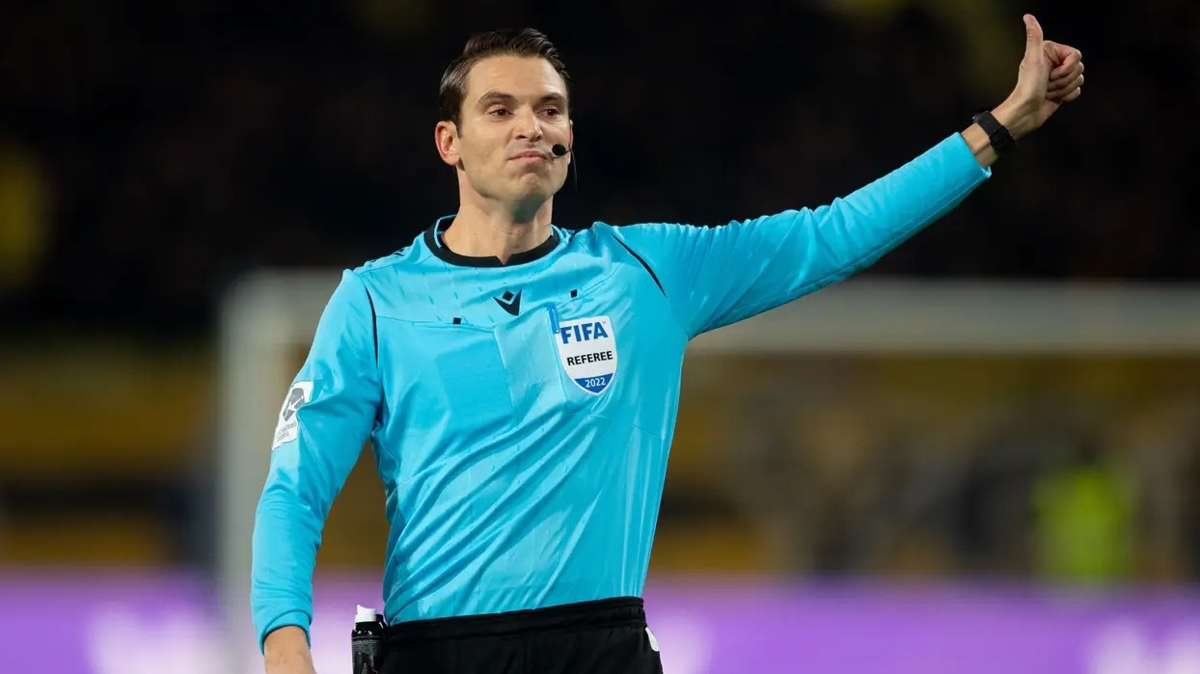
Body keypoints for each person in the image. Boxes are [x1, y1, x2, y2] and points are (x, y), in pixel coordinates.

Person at [252, 16, 1085, 674]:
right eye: (499, 110)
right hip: (437, 654)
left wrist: (999, 127)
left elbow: (831, 235)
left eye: (550, 109)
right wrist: (285, 649)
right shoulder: (376, 302)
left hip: (602, 649)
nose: (530, 127)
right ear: (450, 143)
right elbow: (294, 490)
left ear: (570, 138)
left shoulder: (644, 272)